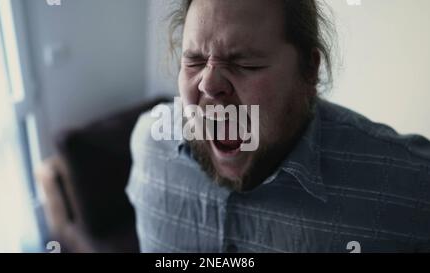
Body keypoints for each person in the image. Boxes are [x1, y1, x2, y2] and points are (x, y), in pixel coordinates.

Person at [126, 0, 430, 252]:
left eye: (246, 64)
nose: (208, 83)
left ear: (309, 70)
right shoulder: (149, 147)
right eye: (193, 61)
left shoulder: (411, 184)